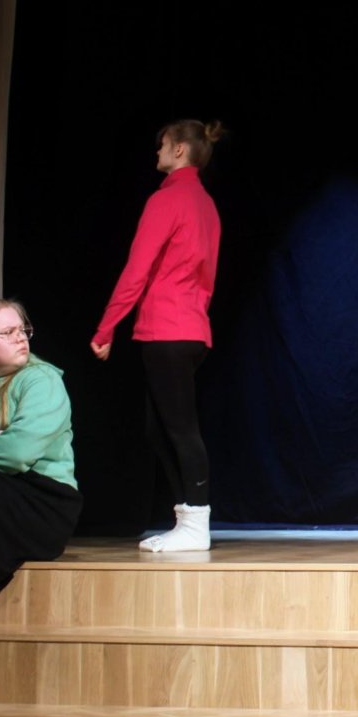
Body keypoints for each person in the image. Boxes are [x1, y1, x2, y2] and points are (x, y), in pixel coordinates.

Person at [91, 119, 223, 553]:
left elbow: (137, 269)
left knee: (179, 429)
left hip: (168, 328)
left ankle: (196, 523)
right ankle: (187, 519)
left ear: (180, 150)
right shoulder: (205, 204)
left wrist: (107, 325)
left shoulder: (168, 199)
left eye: (163, 144)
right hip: (189, 329)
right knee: (159, 429)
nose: (158, 152)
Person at [0, 300, 81, 597]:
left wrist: (3, 439)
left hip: (42, 502)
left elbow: (17, 453)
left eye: (23, 330)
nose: (20, 338)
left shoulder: (42, 380)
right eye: (8, 332)